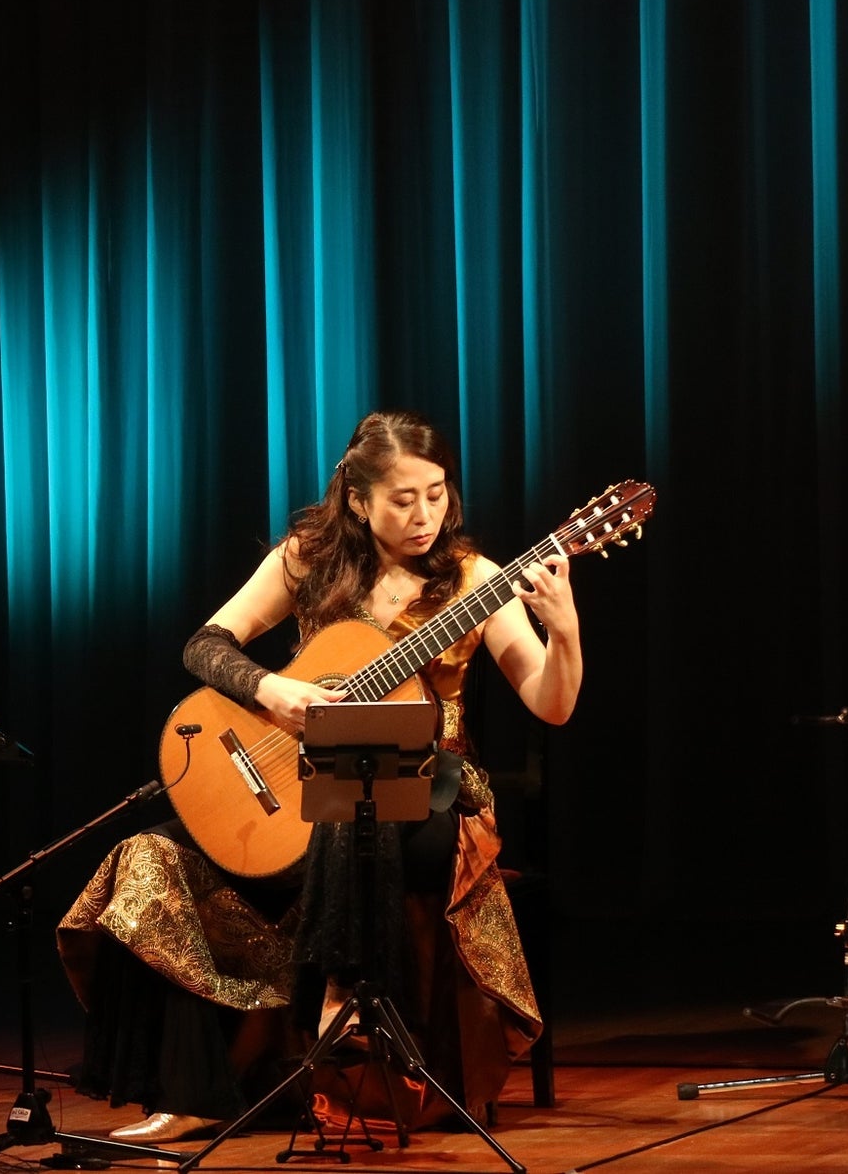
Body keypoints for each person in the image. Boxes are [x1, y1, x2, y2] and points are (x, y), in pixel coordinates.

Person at [55, 409, 581, 1143]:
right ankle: (191, 1094)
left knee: (357, 806)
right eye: (403, 499)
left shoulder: (474, 579)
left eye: (436, 494)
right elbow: (205, 645)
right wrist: (272, 691)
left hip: (428, 790)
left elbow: (551, 704)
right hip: (297, 784)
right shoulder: (307, 558)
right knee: (153, 855)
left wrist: (564, 627)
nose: (425, 515)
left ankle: (340, 1006)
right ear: (359, 501)